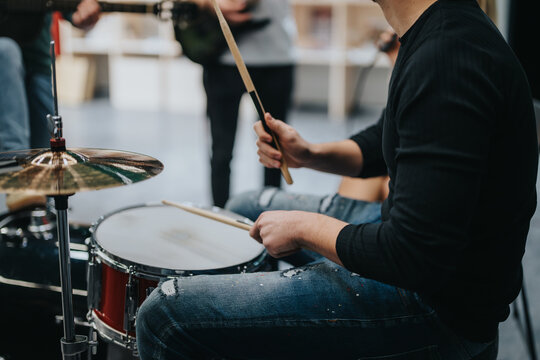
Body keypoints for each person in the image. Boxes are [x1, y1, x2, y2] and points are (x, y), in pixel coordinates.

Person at [136, 0, 538, 358]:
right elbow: (385, 144)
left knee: (164, 314)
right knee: (247, 205)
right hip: (422, 256)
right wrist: (308, 154)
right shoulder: (436, 29)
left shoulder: (446, 57)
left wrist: (307, 228)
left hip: (437, 309)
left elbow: (413, 255)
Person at [0, 0, 101, 211]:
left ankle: (37, 229)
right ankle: (15, 175)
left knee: (43, 174)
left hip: (37, 61)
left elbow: (75, 7)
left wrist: (81, 6)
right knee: (5, 52)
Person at [199, 0, 296, 207]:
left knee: (275, 150)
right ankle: (219, 215)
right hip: (221, 56)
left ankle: (274, 216)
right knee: (221, 152)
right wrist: (207, 3)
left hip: (276, 57)